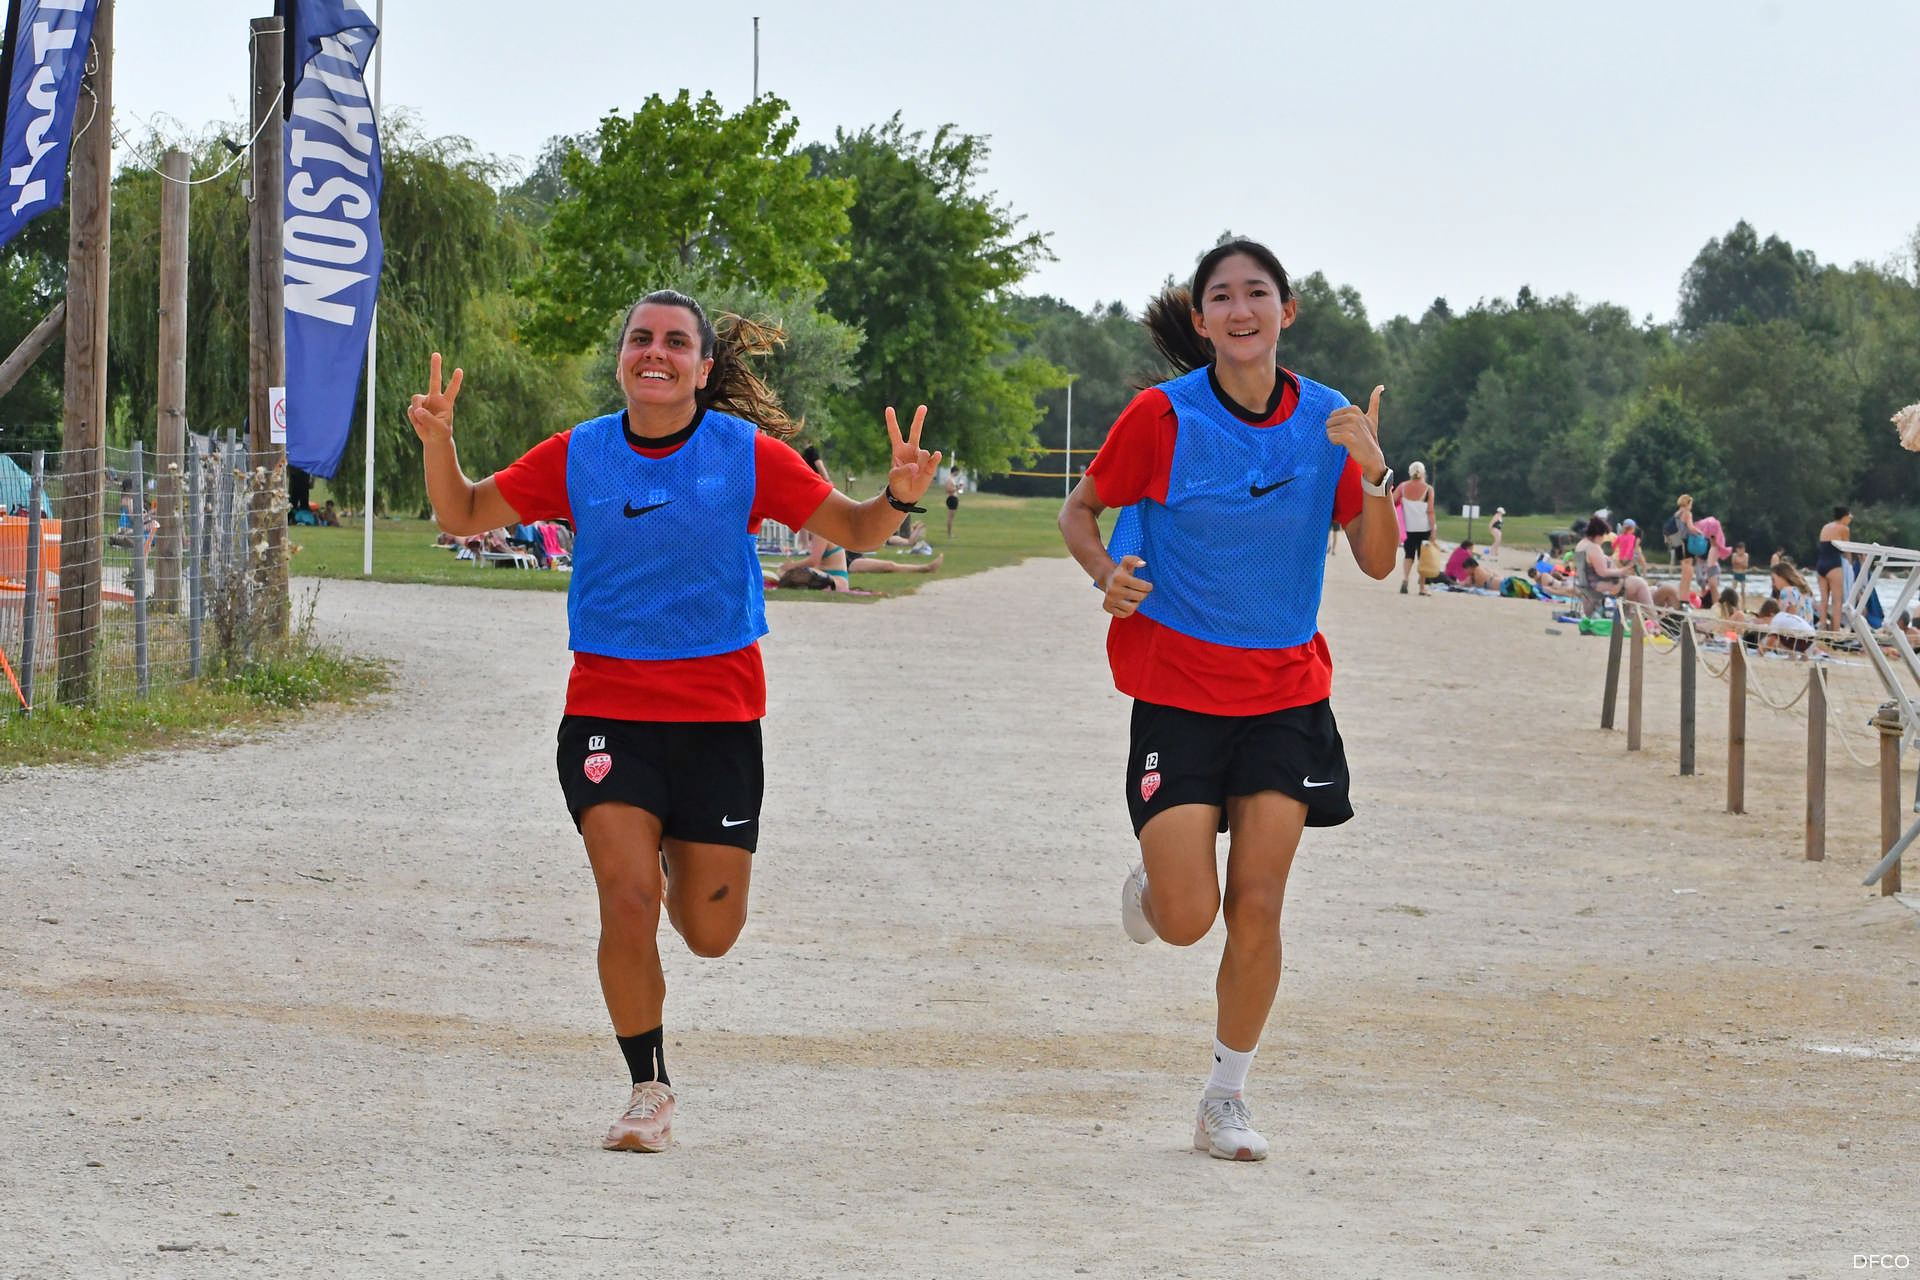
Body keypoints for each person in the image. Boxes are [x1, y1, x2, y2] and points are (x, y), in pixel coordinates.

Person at [406, 289, 941, 1153]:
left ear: (702, 365)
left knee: (711, 932)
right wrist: (440, 442)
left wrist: (899, 499)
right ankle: (647, 1088)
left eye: (675, 342)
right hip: (608, 714)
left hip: (719, 720)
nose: (655, 352)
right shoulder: (579, 453)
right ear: (622, 356)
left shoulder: (746, 455)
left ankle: (670, 849)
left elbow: (851, 525)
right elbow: (462, 514)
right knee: (627, 899)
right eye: (640, 338)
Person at [1055, 238, 1399, 1162]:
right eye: (1222, 296)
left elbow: (1378, 561)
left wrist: (1374, 474)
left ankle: (1225, 1098)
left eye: (1257, 292)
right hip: (1179, 688)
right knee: (1186, 919)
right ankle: (1154, 883)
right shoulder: (1162, 416)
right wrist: (1106, 573)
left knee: (1258, 905)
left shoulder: (1330, 421)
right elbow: (1078, 511)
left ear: (1287, 309)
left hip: (1286, 694)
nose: (1241, 309)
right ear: (1201, 318)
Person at [1575, 516, 1654, 609]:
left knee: (1634, 583)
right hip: (1598, 586)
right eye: (1602, 536)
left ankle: (1629, 613)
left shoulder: (1581, 545)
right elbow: (1603, 572)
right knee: (1640, 583)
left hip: (1586, 585)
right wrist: (1622, 571)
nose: (1602, 539)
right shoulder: (1593, 548)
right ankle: (1651, 614)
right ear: (1597, 534)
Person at [1393, 461, 1434, 595]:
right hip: (1424, 528)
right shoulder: (1428, 489)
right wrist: (1433, 531)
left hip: (1409, 528)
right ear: (1423, 473)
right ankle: (1422, 587)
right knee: (1423, 558)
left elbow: (1392, 500)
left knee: (1408, 555)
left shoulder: (1403, 487)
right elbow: (1430, 511)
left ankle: (1405, 579)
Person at [1815, 506, 1852, 631]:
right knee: (1837, 602)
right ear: (1845, 517)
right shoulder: (1844, 528)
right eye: (1849, 517)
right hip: (1834, 565)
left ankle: (1823, 628)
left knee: (1824, 600)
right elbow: (1847, 549)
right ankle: (1835, 631)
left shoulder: (1825, 527)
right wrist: (1850, 565)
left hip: (1821, 564)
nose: (1850, 519)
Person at [944, 467, 964, 538]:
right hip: (952, 499)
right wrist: (957, 488)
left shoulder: (952, 479)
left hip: (953, 498)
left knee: (951, 518)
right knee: (950, 518)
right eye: (957, 472)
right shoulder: (950, 479)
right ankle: (949, 534)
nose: (958, 473)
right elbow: (948, 490)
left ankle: (950, 533)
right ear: (955, 471)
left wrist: (957, 488)